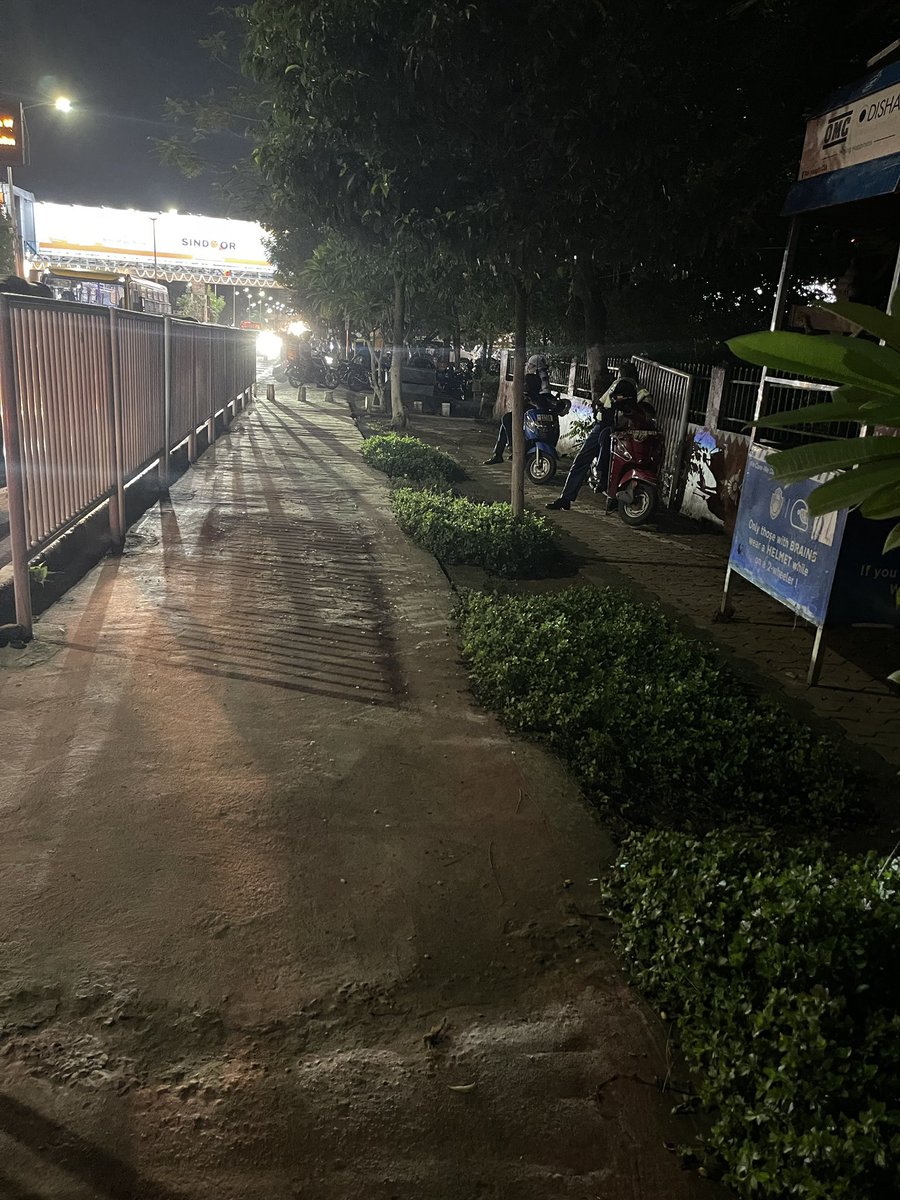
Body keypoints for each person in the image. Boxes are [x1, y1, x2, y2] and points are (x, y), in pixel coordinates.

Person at [545, 377, 654, 510]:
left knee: (617, 464)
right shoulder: (617, 385)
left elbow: (647, 416)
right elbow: (601, 402)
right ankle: (566, 498)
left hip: (625, 431)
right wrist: (601, 410)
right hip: (604, 425)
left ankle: (611, 497)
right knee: (582, 459)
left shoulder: (642, 394)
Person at [484, 352, 552, 464]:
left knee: (507, 419)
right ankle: (499, 453)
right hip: (534, 410)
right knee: (506, 421)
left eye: (530, 365)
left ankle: (511, 446)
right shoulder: (542, 379)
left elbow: (538, 394)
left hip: (531, 411)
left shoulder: (531, 378)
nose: (528, 367)